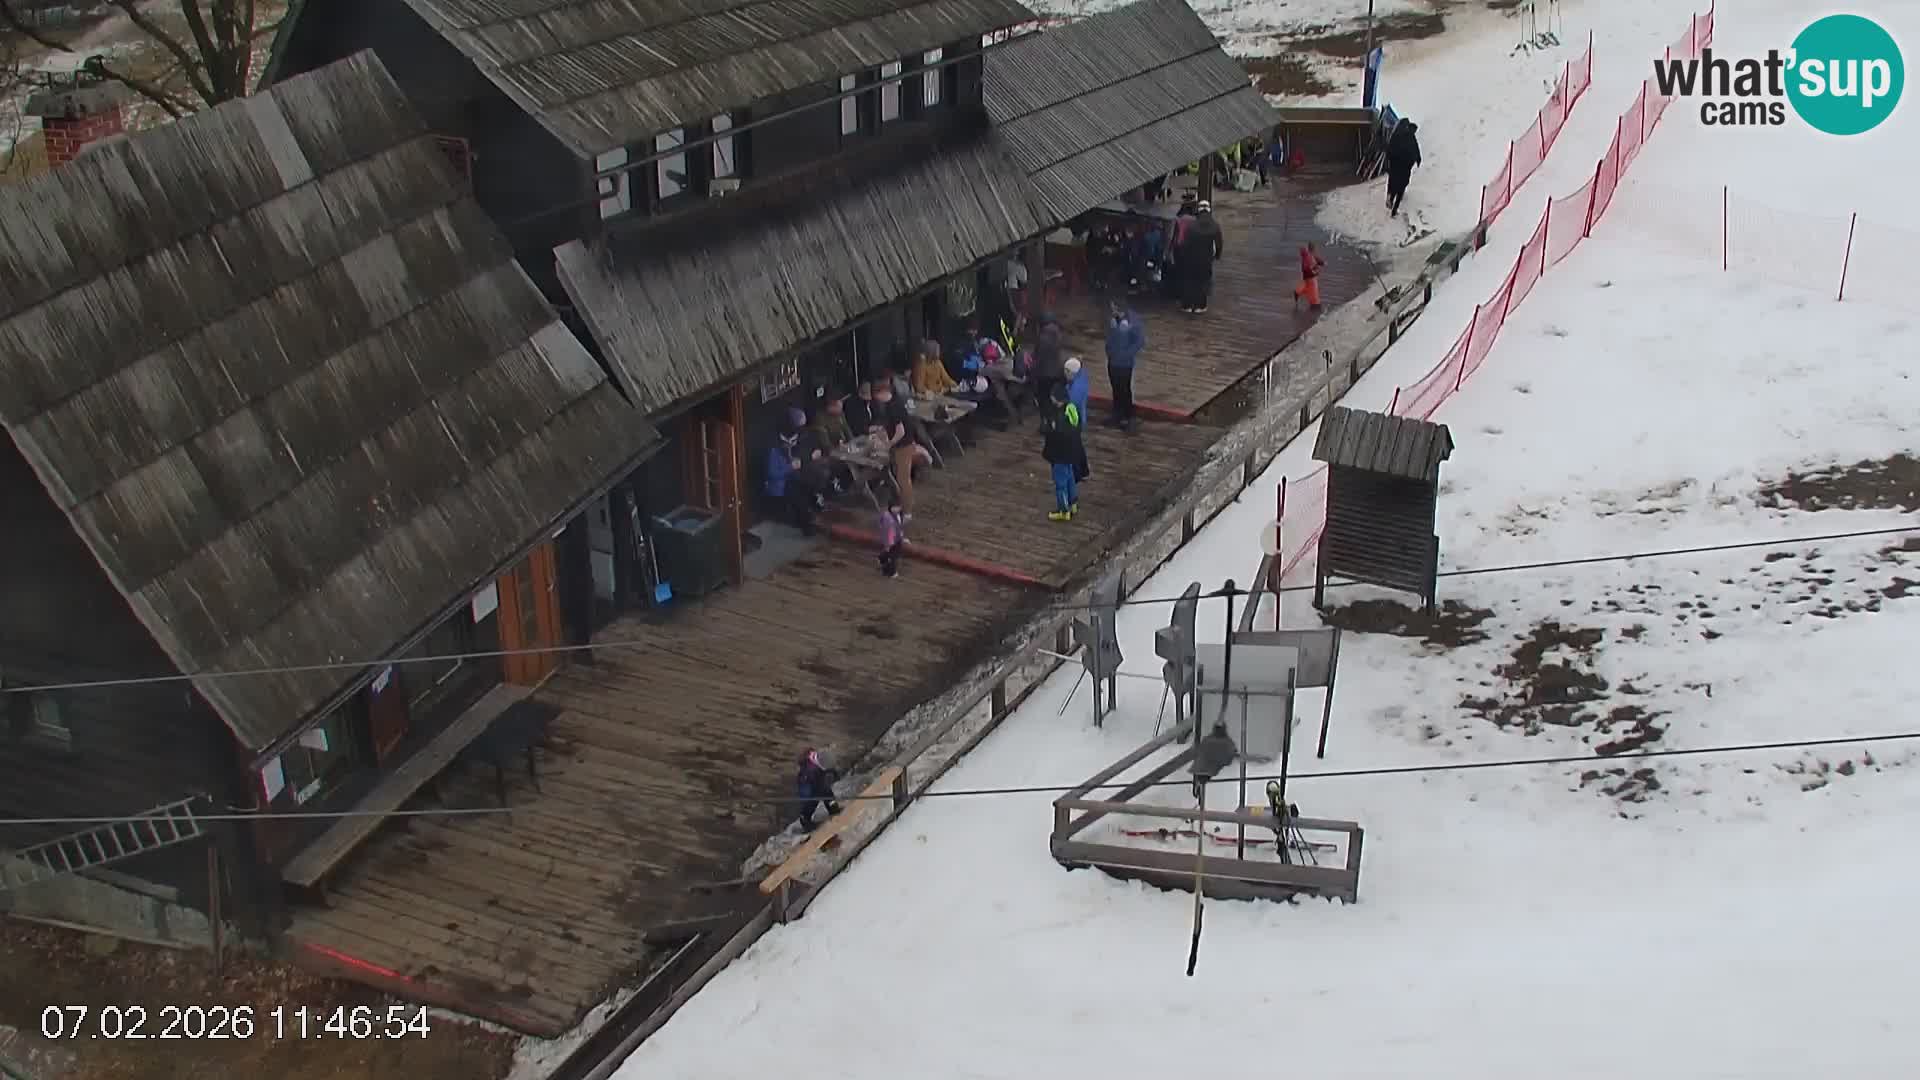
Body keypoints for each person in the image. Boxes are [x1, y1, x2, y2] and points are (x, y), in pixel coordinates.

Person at [870, 379, 928, 518]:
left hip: (903, 446)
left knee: (903, 480)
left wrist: (888, 444)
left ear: (883, 392)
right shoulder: (894, 403)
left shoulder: (892, 407)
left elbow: (900, 431)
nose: (877, 399)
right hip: (902, 445)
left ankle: (907, 511)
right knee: (899, 476)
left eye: (877, 395)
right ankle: (902, 503)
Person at [763, 426, 821, 534]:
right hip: (780, 485)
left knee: (808, 484)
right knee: (797, 495)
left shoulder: (793, 448)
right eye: (791, 441)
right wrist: (790, 467)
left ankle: (811, 513)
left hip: (792, 479)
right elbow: (772, 474)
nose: (793, 443)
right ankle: (806, 525)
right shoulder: (774, 451)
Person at [1040, 384, 1083, 522]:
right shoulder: (1072, 409)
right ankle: (1073, 503)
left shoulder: (1058, 417)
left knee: (1060, 484)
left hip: (1059, 454)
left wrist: (1047, 428)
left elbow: (1054, 434)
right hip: (1071, 452)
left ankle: (1063, 510)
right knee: (1070, 477)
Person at [1178, 200, 1224, 314]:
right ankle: (1200, 305)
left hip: (1191, 258)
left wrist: (1183, 256)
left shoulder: (1191, 226)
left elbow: (1185, 243)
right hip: (1206, 258)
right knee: (1203, 281)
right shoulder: (1215, 225)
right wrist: (1217, 255)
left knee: (1189, 281)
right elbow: (1219, 243)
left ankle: (1187, 305)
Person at [1103, 303, 1144, 429]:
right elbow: (1109, 337)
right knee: (1116, 388)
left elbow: (1139, 341)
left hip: (1125, 364)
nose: (1112, 310)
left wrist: (1126, 354)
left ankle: (1128, 416)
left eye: (1115, 307)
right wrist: (1109, 351)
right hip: (1112, 361)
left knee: (1124, 389)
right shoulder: (1113, 320)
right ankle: (1117, 414)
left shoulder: (1133, 321)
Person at [794, 748, 842, 831]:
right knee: (812, 800)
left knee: (825, 790)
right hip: (806, 784)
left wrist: (834, 774)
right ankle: (805, 820)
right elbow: (813, 783)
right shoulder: (811, 770)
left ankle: (832, 806)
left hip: (817, 778)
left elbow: (831, 768)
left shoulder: (822, 758)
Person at [1062, 356, 1091, 482]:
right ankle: (1084, 470)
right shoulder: (1081, 378)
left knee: (1073, 448)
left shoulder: (1076, 389)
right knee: (1078, 446)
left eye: (1066, 372)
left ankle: (1077, 473)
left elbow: (1071, 405)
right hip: (1080, 418)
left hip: (1075, 421)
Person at [1386, 119, 1421, 216]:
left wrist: (1390, 160)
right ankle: (1394, 208)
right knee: (1401, 185)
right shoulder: (1408, 137)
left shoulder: (1399, 135)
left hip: (1397, 166)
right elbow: (1415, 149)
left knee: (1396, 184)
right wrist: (1417, 159)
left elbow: (1390, 149)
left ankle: (1392, 200)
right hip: (1404, 167)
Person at [1031, 312, 1066, 410]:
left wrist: (1032, 373)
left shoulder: (1043, 338)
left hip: (1045, 374)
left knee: (1044, 398)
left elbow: (1039, 358)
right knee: (1053, 396)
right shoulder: (1057, 334)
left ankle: (1046, 420)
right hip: (1057, 371)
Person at [1293, 241, 1328, 310]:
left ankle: (1297, 293)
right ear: (1313, 248)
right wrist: (1314, 271)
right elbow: (1308, 267)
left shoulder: (1309, 256)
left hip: (1307, 278)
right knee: (1314, 296)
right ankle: (1315, 306)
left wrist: (1322, 263)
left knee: (1304, 287)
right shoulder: (1309, 257)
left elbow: (1316, 261)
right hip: (1311, 278)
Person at [877, 496, 906, 577]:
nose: (897, 509)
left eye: (898, 507)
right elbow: (887, 531)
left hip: (897, 538)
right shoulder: (888, 518)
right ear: (890, 507)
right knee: (893, 556)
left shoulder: (900, 514)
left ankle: (882, 559)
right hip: (891, 540)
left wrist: (902, 535)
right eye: (895, 507)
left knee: (893, 554)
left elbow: (900, 525)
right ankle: (891, 572)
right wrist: (889, 544)